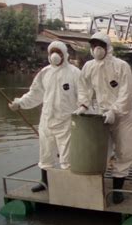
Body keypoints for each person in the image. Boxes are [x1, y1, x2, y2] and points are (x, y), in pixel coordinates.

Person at [8, 41, 81, 192]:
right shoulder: (44, 73)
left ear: (64, 54)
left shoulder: (74, 73)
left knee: (67, 157)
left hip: (67, 121)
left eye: (58, 52)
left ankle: (68, 185)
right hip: (47, 119)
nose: (55, 55)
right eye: (52, 52)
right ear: (49, 54)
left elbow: (84, 95)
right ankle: (44, 182)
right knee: (46, 153)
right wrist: (20, 103)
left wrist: (82, 111)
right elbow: (35, 94)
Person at [76, 32, 132, 204]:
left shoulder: (121, 66)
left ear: (107, 47)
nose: (96, 49)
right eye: (93, 45)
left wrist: (115, 111)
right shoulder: (88, 67)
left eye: (100, 45)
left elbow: (127, 92)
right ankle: (97, 187)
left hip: (125, 116)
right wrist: (83, 104)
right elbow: (83, 87)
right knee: (101, 151)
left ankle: (118, 190)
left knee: (124, 151)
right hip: (102, 115)